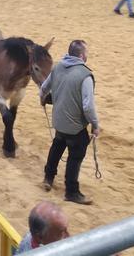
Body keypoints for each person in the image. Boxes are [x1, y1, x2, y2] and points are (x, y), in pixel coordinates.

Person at [40, 40, 99, 205]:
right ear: (81, 55)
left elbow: (44, 88)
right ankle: (71, 191)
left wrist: (42, 99)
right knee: (76, 155)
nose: (87, 55)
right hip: (75, 127)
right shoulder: (85, 75)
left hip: (58, 121)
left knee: (57, 145)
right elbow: (88, 106)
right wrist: (95, 124)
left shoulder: (57, 67)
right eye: (86, 52)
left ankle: (48, 177)